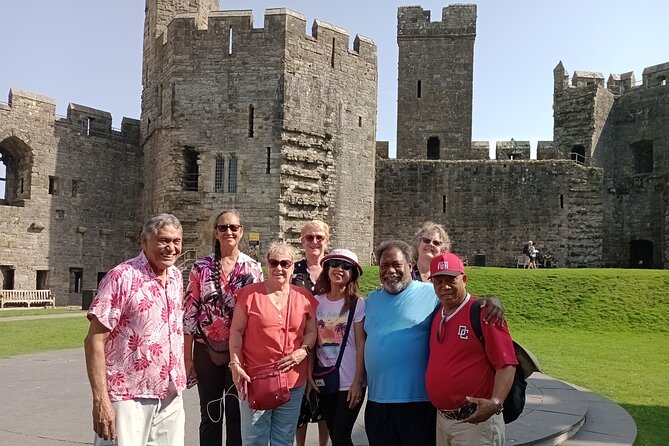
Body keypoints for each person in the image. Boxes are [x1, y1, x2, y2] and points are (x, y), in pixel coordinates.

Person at [364, 240, 503, 446]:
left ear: (410, 266)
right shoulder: (371, 300)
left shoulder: (431, 293)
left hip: (417, 403)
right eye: (384, 265)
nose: (390, 270)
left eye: (396, 264)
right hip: (377, 402)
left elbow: (459, 301)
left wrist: (491, 301)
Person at [84, 214, 186, 446]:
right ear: (144, 241)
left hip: (169, 395)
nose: (171, 248)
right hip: (128, 394)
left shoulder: (176, 277)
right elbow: (94, 340)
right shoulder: (122, 277)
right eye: (163, 240)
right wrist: (101, 400)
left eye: (176, 241)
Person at [183, 209, 264, 446]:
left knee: (236, 414)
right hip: (205, 349)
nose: (228, 231)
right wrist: (188, 359)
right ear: (215, 232)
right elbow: (190, 313)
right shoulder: (201, 268)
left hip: (239, 352)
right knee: (210, 413)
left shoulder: (253, 269)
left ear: (241, 232)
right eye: (223, 227)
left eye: (233, 227)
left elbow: (257, 315)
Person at [229, 242, 318, 446]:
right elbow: (236, 331)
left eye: (285, 263)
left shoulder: (304, 298)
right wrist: (235, 363)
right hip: (255, 378)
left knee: (284, 439)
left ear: (293, 266)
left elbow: (312, 331)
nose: (279, 268)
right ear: (266, 265)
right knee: (254, 440)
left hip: (292, 380)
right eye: (274, 262)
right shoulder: (249, 295)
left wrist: (303, 351)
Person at [426, 252, 517, 445]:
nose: (445, 287)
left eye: (451, 280)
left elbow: (507, 364)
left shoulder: (484, 313)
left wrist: (495, 403)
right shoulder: (437, 314)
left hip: (476, 423)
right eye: (439, 281)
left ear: (464, 279)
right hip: (443, 420)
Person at [309, 248, 366, 446]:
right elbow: (313, 342)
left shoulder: (357, 304)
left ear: (353, 274)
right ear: (326, 269)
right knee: (335, 435)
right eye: (333, 264)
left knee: (341, 437)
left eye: (345, 266)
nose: (338, 269)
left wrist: (357, 382)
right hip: (325, 378)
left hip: (349, 381)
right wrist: (309, 375)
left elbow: (360, 343)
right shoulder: (316, 302)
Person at [292, 220, 331, 446]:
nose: (314, 242)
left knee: (324, 401)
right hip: (300, 342)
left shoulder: (333, 268)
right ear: (302, 241)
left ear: (327, 240)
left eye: (319, 237)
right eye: (309, 237)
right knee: (301, 402)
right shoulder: (293, 270)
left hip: (329, 345)